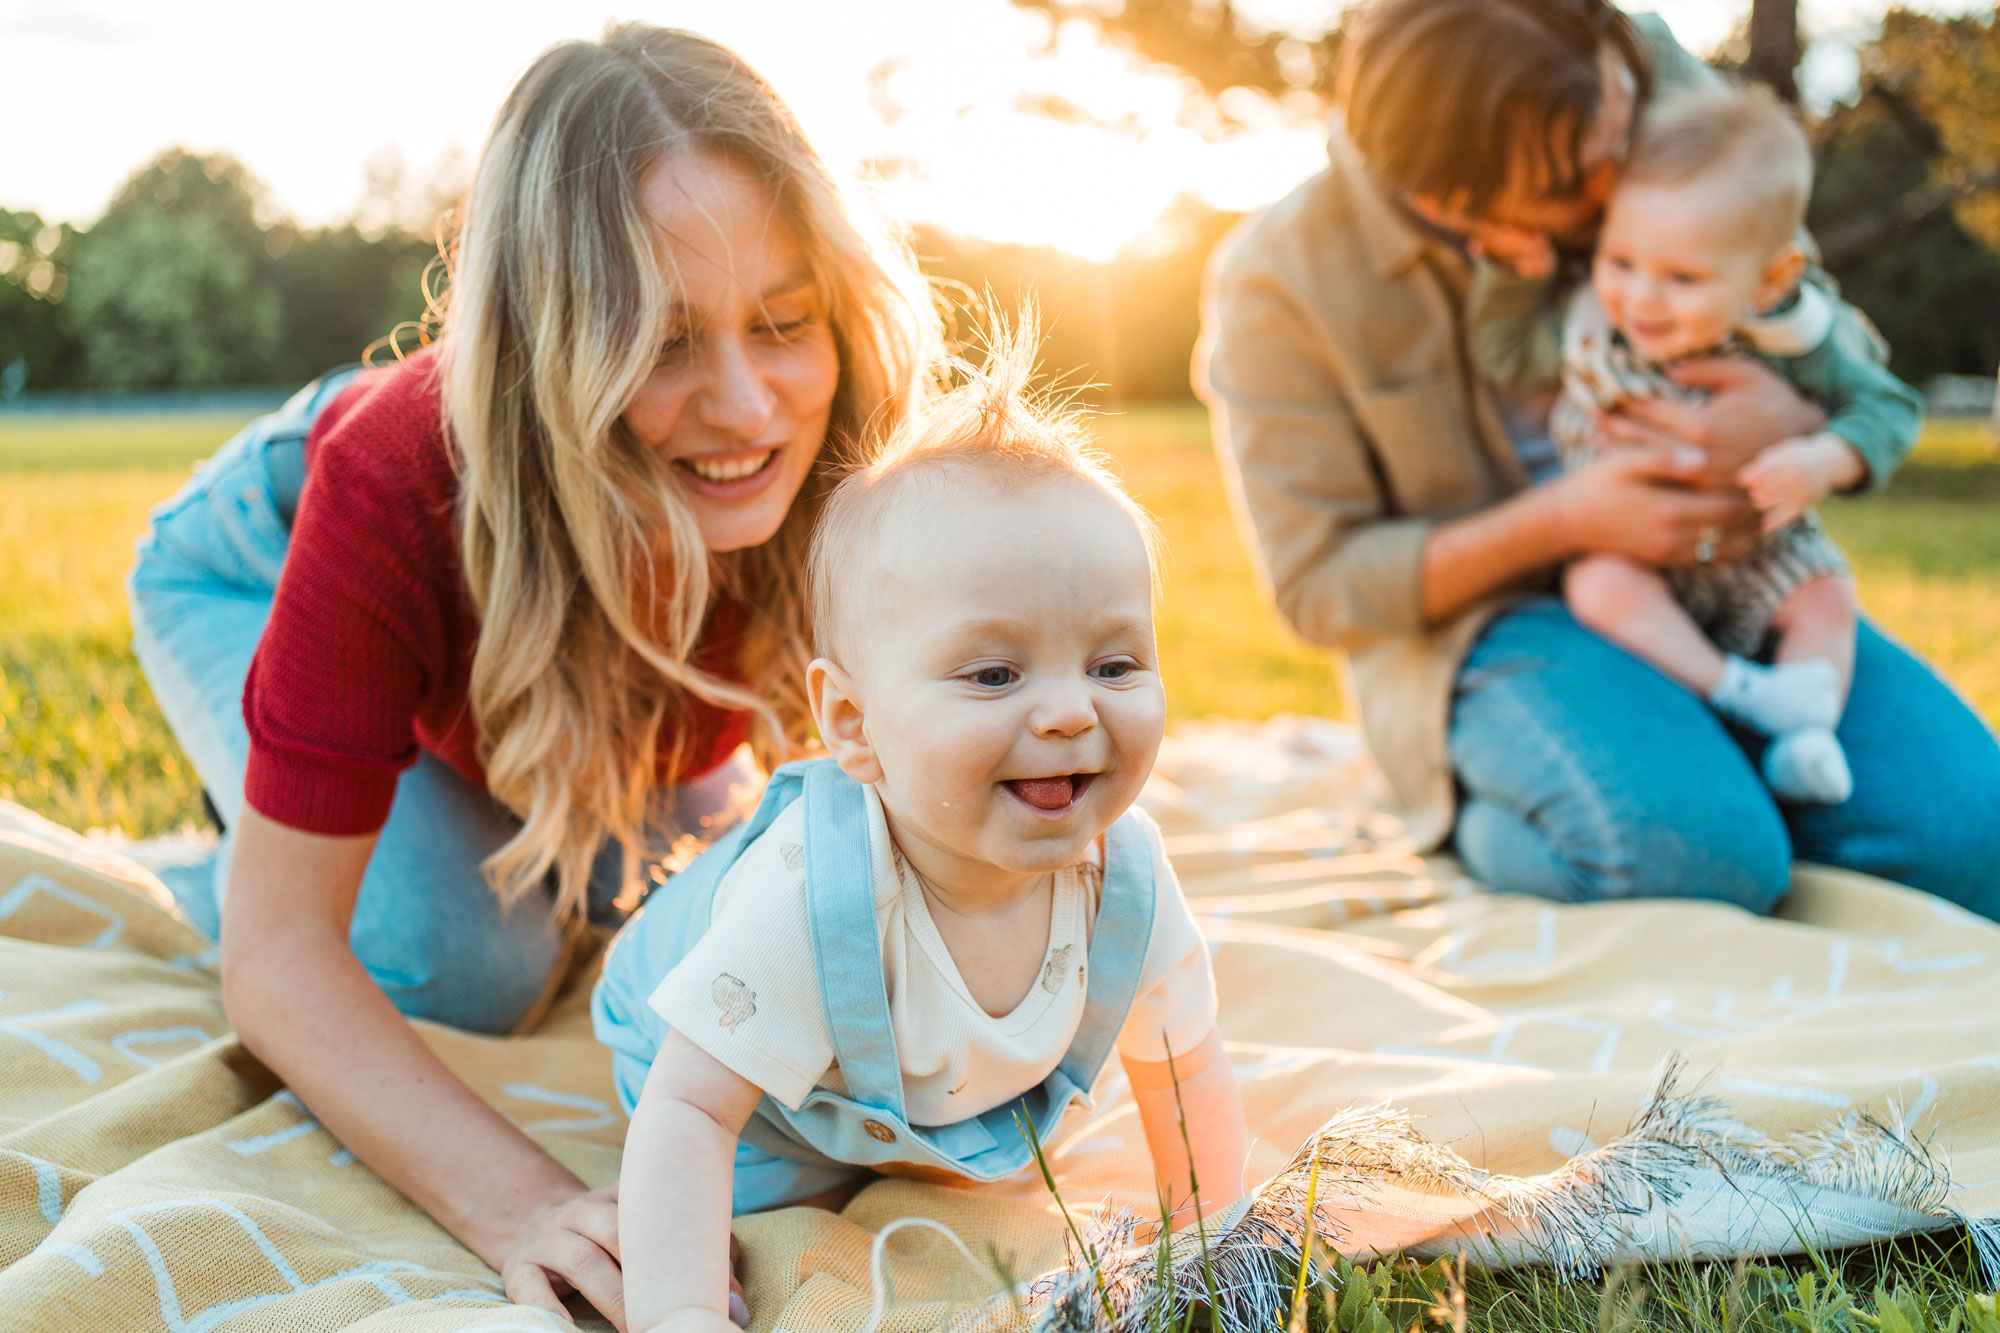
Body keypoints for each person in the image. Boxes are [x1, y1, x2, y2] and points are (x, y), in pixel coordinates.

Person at [124, 25, 939, 1326]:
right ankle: (246, 825)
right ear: (554, 348)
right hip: (257, 556)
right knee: (461, 962)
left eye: (783, 322)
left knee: (659, 879)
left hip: (532, 604)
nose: (747, 405)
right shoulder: (394, 488)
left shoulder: (850, 455)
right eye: (663, 343)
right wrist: (530, 1207)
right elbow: (280, 965)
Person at [1195, 0, 2000, 914]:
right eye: (1578, 179)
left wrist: (1778, 416)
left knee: (1973, 835)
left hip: (1724, 589)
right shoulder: (1278, 280)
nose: (1622, 165)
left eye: (1622, 126)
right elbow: (1319, 585)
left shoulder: (1633, 73)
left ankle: (1722, 745)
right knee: (1693, 859)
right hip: (1490, 625)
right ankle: (1481, 805)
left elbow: (1801, 304)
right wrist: (1570, 520)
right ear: (1453, 203)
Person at [592, 341, 1247, 1333]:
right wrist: (678, 1310)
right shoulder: (807, 902)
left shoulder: (1128, 885)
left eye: (1113, 664)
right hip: (736, 1076)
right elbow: (688, 1113)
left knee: (976, 1191)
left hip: (920, 1094)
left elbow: (1183, 1067)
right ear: (853, 726)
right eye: (993, 675)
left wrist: (1210, 1241)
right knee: (769, 1206)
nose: (1071, 712)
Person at [1478, 85, 1924, 806]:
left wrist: (1822, 458)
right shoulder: (1595, 325)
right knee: (1597, 586)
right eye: (1621, 259)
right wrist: (1512, 269)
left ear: (1769, 278)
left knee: (1826, 596)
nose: (1644, 299)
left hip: (1760, 549)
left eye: (1683, 278)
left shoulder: (1794, 336)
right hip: (1633, 550)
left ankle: (1808, 734)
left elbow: (1890, 407)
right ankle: (1739, 693)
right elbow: (1504, 353)